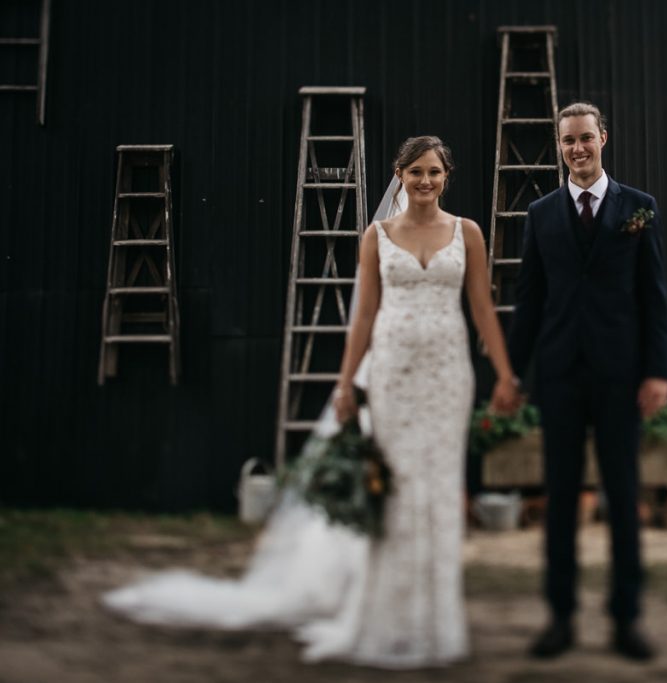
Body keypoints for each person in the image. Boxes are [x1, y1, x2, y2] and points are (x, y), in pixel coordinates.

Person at [103, 136, 519, 669]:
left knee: (438, 492)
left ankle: (434, 623)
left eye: (434, 172)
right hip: (391, 376)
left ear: (446, 176)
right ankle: (383, 616)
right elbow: (363, 316)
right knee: (390, 491)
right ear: (399, 175)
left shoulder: (468, 233)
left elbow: (482, 307)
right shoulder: (377, 236)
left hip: (446, 377)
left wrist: (504, 375)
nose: (425, 181)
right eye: (415, 171)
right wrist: (345, 385)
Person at [507, 102, 667, 661]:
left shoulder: (639, 208)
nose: (577, 148)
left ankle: (626, 619)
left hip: (620, 375)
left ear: (603, 138)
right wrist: (512, 374)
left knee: (622, 495)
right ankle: (560, 618)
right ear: (559, 146)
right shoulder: (540, 214)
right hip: (559, 374)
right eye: (567, 141)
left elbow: (655, 296)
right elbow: (529, 300)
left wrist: (657, 371)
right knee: (560, 496)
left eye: (585, 138)